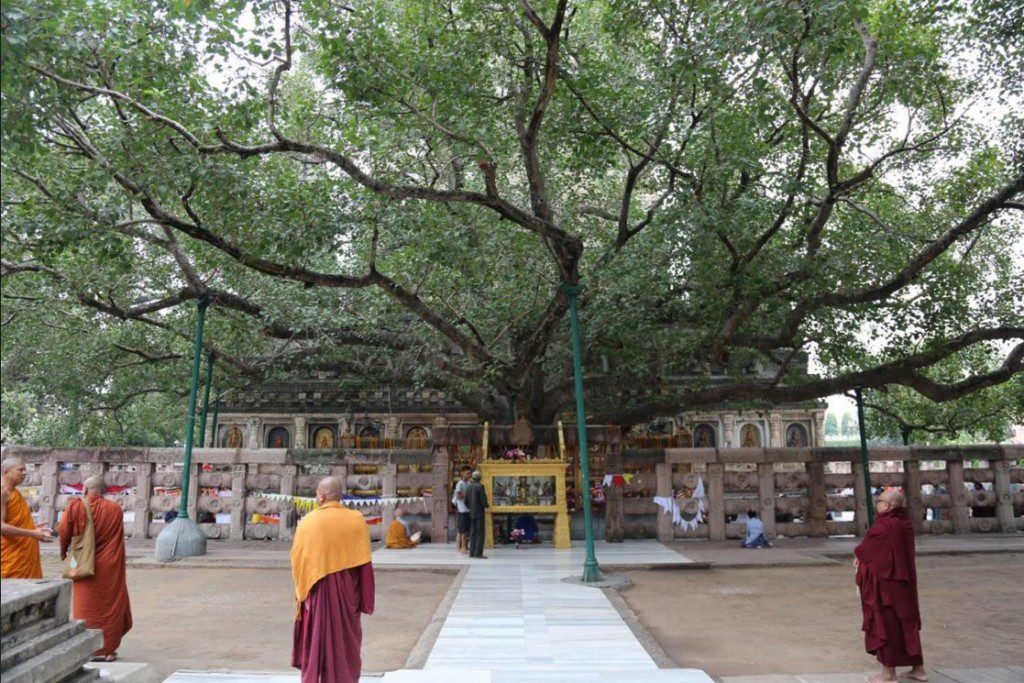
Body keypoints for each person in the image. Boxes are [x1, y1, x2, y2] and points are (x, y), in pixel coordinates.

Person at [291, 476, 375, 683]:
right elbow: (365, 566)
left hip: (317, 592)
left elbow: (298, 560)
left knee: (317, 642)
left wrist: (302, 594)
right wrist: (366, 600)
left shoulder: (308, 521)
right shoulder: (356, 519)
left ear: (321, 495)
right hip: (348, 595)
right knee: (345, 644)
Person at [854, 490, 928, 683]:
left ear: (886, 506)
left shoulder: (884, 525)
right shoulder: (905, 524)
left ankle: (888, 674)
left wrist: (859, 557)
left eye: (879, 502)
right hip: (906, 585)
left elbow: (868, 551)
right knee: (908, 623)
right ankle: (918, 669)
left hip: (886, 587)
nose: (877, 505)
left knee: (887, 625)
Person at [58, 476, 133, 662]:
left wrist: (64, 551)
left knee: (84, 605)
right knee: (110, 603)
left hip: (81, 563)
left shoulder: (75, 507)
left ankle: (87, 649)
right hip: (109, 563)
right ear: (104, 491)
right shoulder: (115, 509)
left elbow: (63, 530)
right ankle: (107, 650)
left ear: (84, 490)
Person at [1, 457, 52, 578]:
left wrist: (33, 527)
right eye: (20, 470)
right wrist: (32, 533)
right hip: (12, 555)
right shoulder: (3, 492)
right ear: (7, 472)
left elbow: (13, 521)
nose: (24, 473)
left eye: (25, 470)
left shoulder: (14, 492)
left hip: (23, 553)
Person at [465, 470, 489, 559]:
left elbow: (466, 501)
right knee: (480, 533)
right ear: (480, 478)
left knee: (473, 533)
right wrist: (486, 505)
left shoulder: (469, 487)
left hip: (472, 513)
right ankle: (478, 553)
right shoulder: (480, 486)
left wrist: (471, 508)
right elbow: (483, 500)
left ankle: (472, 553)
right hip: (479, 513)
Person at [452, 466, 472, 555]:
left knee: (465, 530)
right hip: (462, 510)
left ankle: (464, 547)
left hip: (467, 509)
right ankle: (461, 548)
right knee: (462, 530)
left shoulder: (468, 483)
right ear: (462, 473)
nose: (469, 475)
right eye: (467, 473)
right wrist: (467, 495)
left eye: (470, 473)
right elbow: (457, 496)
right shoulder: (460, 483)